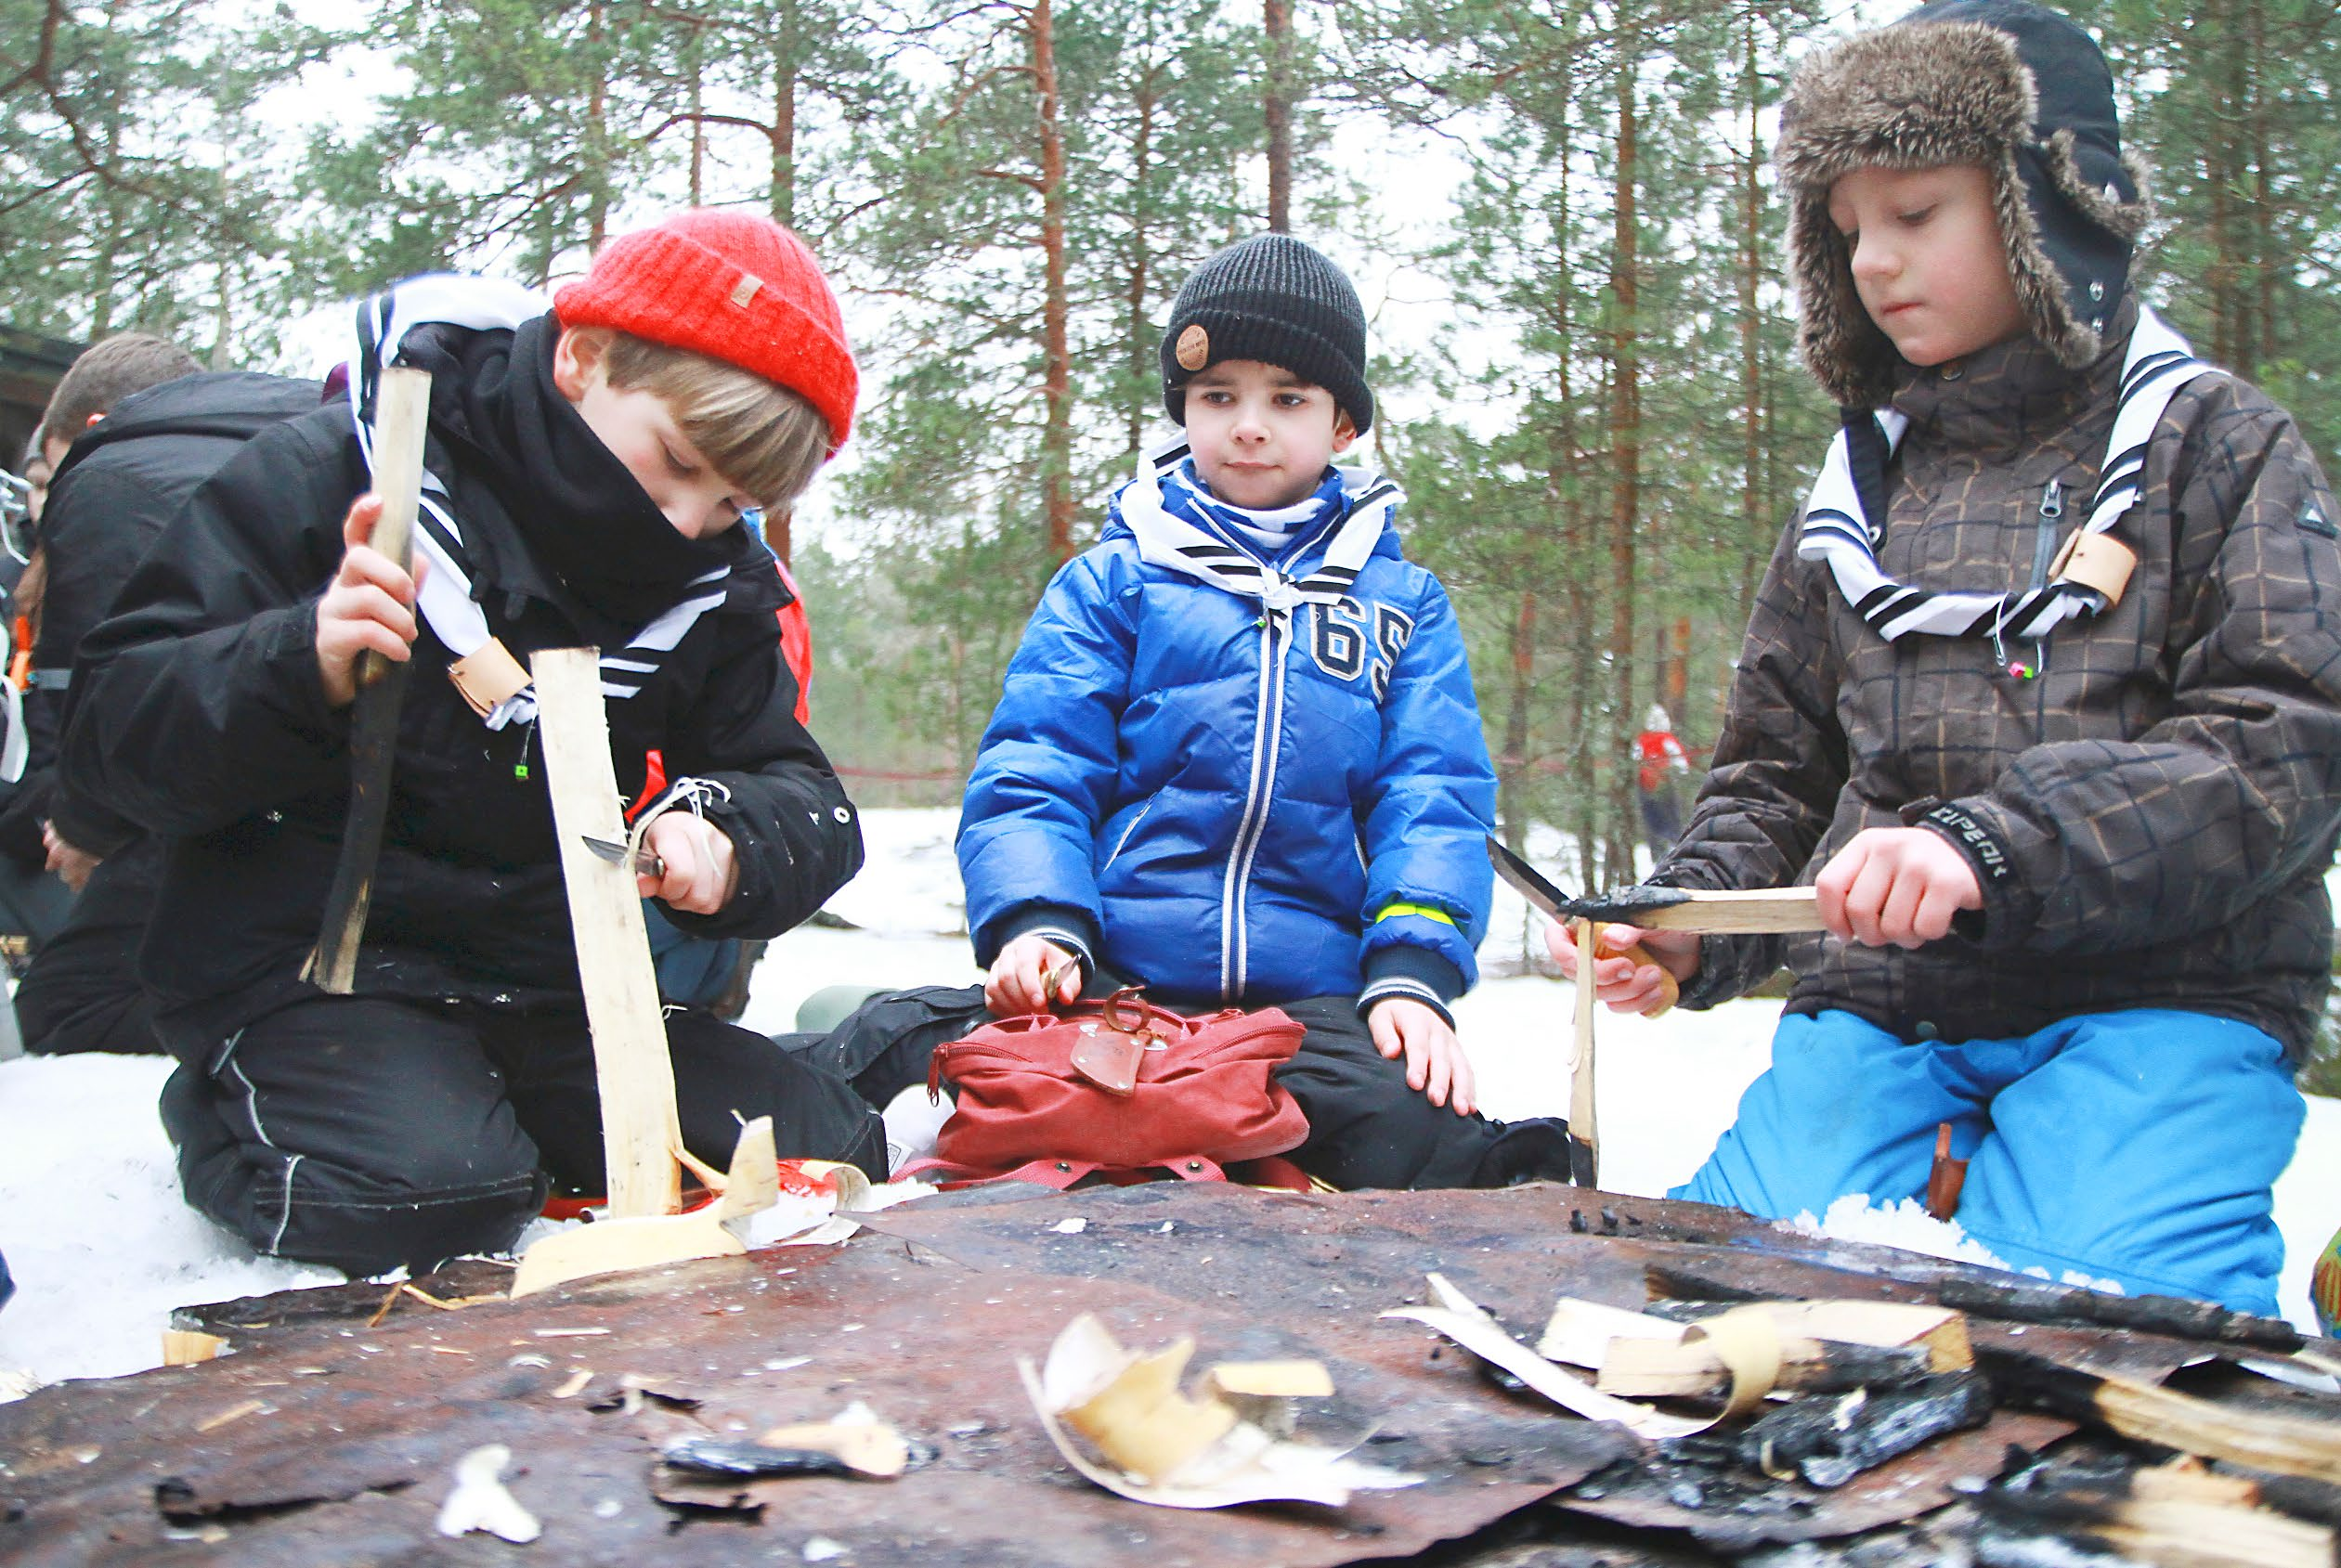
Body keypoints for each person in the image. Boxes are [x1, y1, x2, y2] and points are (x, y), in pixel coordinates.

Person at [1553, 0, 2341, 1315]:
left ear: (2050, 206)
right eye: (1849, 227)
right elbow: (1774, 772)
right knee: (1714, 1310)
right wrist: (1690, 924)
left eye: (1914, 214)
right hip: (1882, 1017)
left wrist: (1988, 848)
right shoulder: (1854, 493)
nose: (1871, 261)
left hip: (2165, 1001)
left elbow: (2281, 742)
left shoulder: (2218, 445)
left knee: (2113, 1330)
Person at [58, 211, 886, 1275]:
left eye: (730, 501)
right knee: (427, 1196)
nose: (687, 523)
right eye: (676, 463)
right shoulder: (343, 472)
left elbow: (796, 788)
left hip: (549, 990)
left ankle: (485, 1125)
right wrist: (294, 662)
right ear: (583, 358)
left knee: (819, 1141)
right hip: (309, 974)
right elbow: (109, 740)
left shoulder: (711, 584)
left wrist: (725, 833)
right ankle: (245, 1108)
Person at [801, 234, 1574, 1190]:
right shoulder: (1113, 583)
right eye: (1219, 397)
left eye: (1287, 398)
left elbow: (1434, 796)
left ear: (1343, 425)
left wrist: (1411, 972)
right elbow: (1037, 765)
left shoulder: (1402, 607)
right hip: (1112, 984)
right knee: (888, 1043)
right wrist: (1041, 925)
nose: (1249, 425)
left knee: (1408, 1123)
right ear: (1184, 410)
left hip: (1303, 1011)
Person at [14, 369, 328, 1054]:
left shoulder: (114, 480)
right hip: (335, 779)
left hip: (211, 778)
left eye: (46, 477)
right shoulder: (318, 433)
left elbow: (104, 694)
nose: (42, 504)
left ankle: (290, 1030)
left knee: (65, 1002)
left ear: (95, 425)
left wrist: (84, 824)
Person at [1631, 705, 1691, 859]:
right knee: (1670, 816)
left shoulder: (1642, 739)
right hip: (1662, 784)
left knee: (1652, 818)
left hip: (1646, 785)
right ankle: (1673, 848)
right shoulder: (1666, 739)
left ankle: (1659, 852)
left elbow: (1634, 759)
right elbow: (1681, 763)